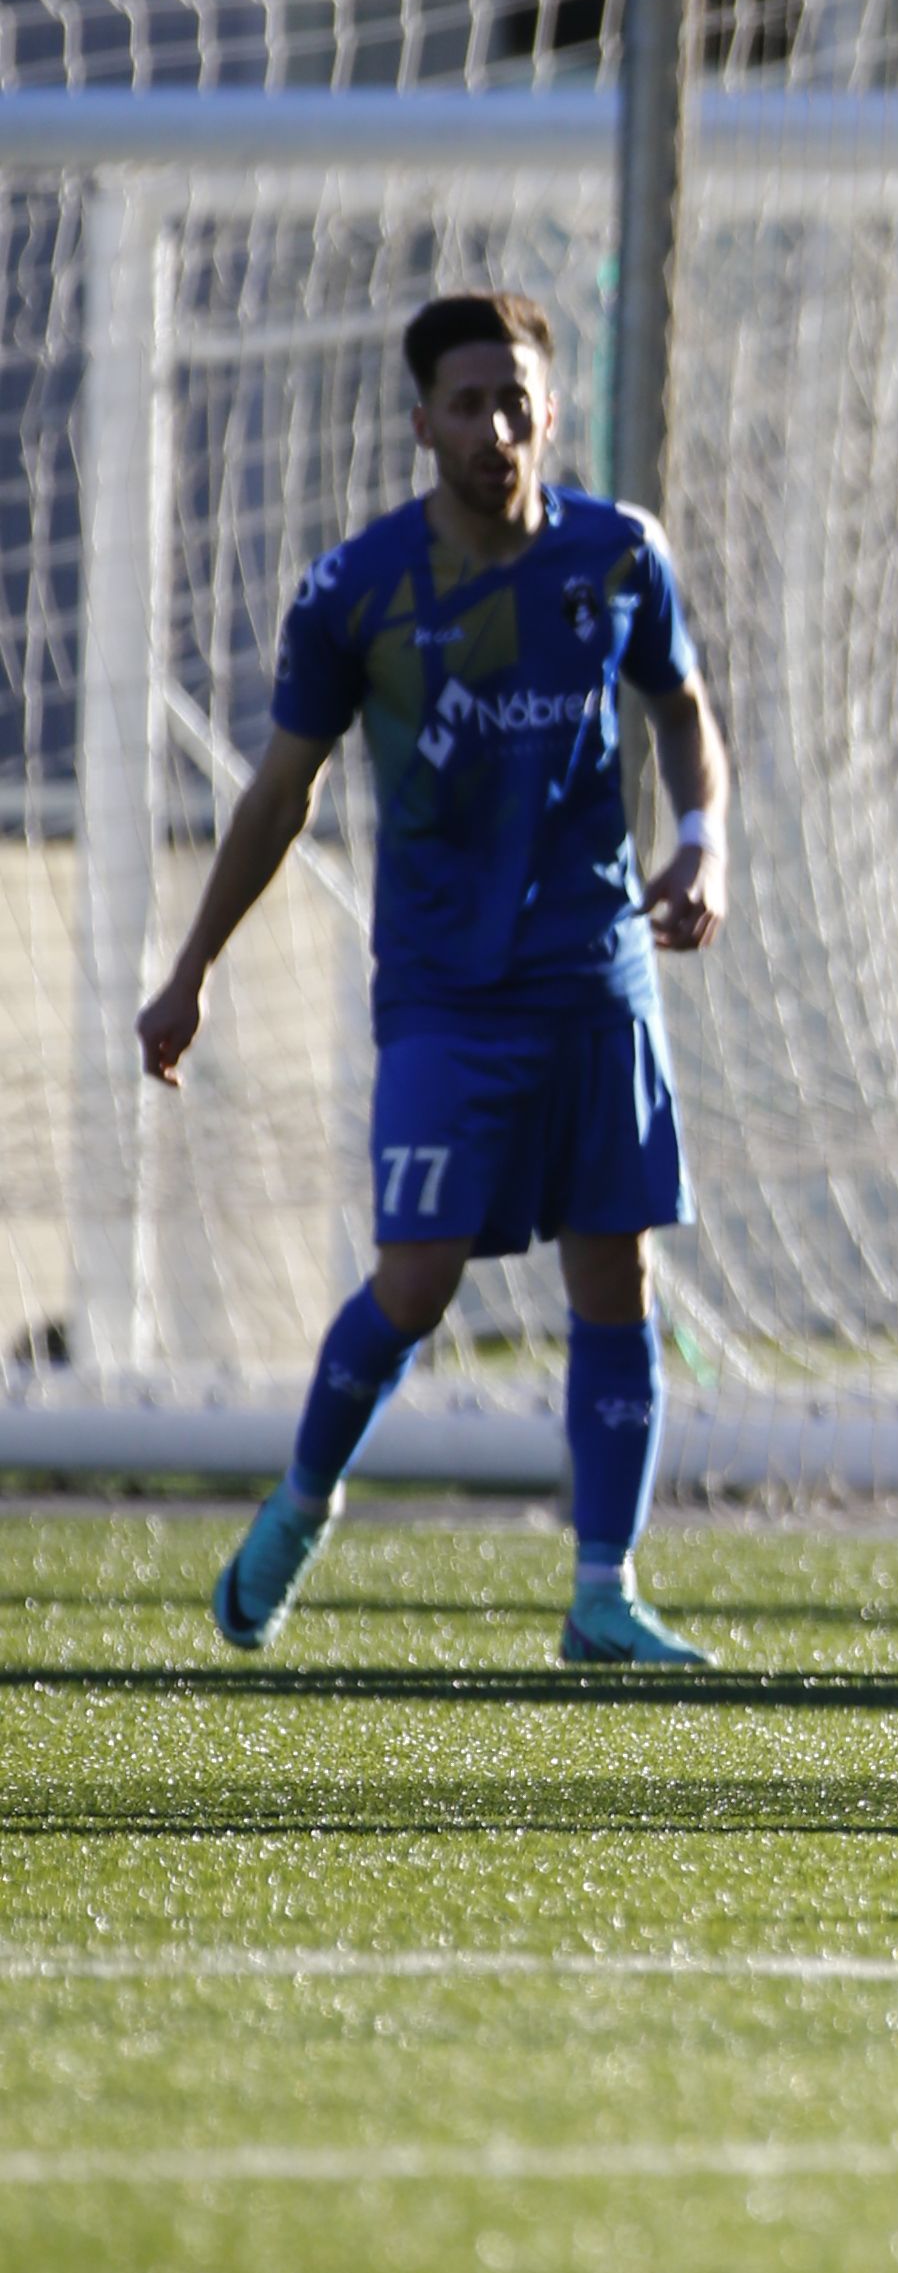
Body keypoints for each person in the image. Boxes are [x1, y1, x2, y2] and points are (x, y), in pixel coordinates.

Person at [141, 289, 730, 1669]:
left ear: (548, 410)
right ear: (421, 424)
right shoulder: (358, 592)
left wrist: (704, 846)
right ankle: (300, 1506)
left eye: (517, 399)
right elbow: (280, 790)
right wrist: (192, 970)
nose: (496, 426)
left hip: (593, 974)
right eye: (466, 403)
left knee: (614, 1273)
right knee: (415, 1281)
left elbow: (684, 710)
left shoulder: (616, 554)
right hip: (447, 994)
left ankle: (603, 1591)